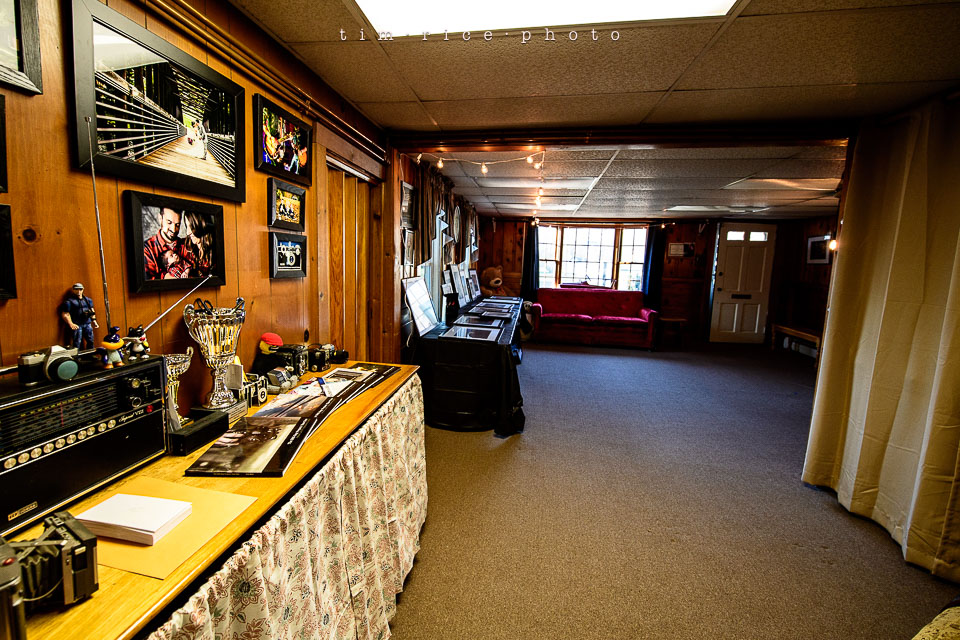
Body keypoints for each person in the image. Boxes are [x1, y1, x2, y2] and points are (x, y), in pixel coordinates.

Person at [143, 207, 187, 280]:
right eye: (169, 222)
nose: (173, 229)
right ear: (160, 218)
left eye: (177, 225)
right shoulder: (147, 249)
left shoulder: (186, 245)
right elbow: (149, 282)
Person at [59, 283, 99, 349]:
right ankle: (77, 354)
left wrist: (94, 321)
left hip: (87, 323)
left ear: (83, 289)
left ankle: (91, 353)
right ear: (73, 290)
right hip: (77, 324)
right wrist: (71, 324)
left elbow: (92, 311)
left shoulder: (88, 300)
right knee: (77, 342)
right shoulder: (69, 302)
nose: (79, 291)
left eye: (80, 289)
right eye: (76, 289)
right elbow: (65, 314)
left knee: (90, 340)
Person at [182, 211, 214, 278]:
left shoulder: (216, 250)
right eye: (187, 227)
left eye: (191, 227)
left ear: (201, 225)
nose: (188, 232)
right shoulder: (186, 245)